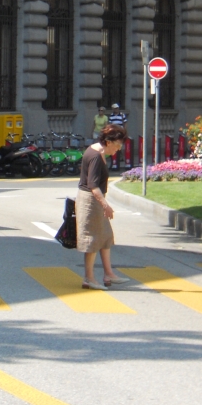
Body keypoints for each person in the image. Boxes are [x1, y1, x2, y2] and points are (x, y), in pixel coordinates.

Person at [76, 123, 131, 290]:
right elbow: (93, 186)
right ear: (108, 142)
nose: (119, 149)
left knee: (105, 236)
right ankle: (89, 278)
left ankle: (109, 274)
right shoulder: (95, 156)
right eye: (117, 145)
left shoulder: (98, 152)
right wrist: (105, 205)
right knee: (92, 239)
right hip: (90, 201)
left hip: (95, 200)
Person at [107, 103, 128, 169]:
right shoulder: (111, 116)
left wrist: (125, 131)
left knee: (121, 145)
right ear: (113, 109)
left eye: (117, 108)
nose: (116, 109)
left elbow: (125, 123)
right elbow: (110, 124)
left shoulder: (122, 115)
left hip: (120, 132)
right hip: (114, 133)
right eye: (115, 108)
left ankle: (123, 158)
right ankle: (116, 159)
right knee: (115, 145)